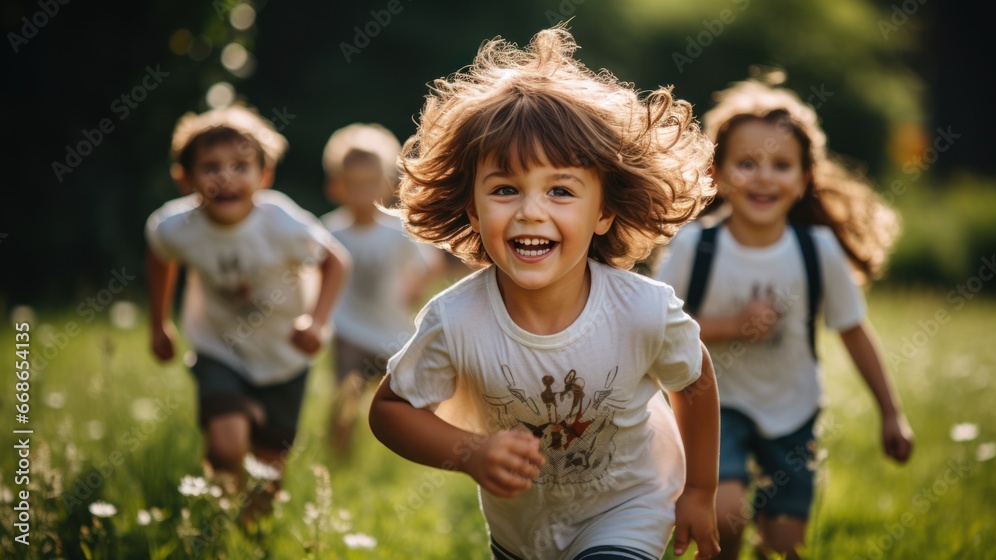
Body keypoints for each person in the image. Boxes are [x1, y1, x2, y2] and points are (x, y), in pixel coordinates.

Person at [369, 27, 721, 560]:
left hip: (629, 507)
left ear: (603, 211)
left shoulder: (643, 311)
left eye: (560, 191)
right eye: (505, 189)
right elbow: (390, 411)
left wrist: (699, 490)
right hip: (520, 532)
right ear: (473, 209)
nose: (531, 211)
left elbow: (694, 383)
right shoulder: (456, 318)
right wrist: (470, 452)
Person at [655, 77, 914, 560]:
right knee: (726, 515)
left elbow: (854, 331)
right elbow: (657, 330)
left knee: (783, 547)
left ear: (804, 177)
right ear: (717, 172)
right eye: (746, 164)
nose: (764, 177)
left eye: (781, 165)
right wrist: (731, 325)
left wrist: (891, 412)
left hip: (793, 408)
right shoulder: (695, 246)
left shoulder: (817, 251)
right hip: (715, 405)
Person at [145, 105, 351, 500]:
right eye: (211, 167)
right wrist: (160, 323)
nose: (225, 177)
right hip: (218, 346)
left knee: (268, 469)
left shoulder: (281, 222)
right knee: (226, 445)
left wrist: (318, 322)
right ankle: (220, 509)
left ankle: (250, 534)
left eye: (241, 165)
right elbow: (159, 254)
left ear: (264, 176)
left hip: (284, 354)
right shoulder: (177, 227)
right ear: (184, 178)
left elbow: (335, 260)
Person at [319, 123, 440, 455]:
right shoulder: (330, 232)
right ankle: (338, 456)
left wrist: (412, 289)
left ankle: (407, 452)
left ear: (387, 185)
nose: (362, 193)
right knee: (345, 393)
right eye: (353, 184)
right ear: (336, 187)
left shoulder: (398, 230)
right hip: (349, 329)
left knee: (401, 397)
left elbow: (430, 264)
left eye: (370, 183)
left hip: (392, 332)